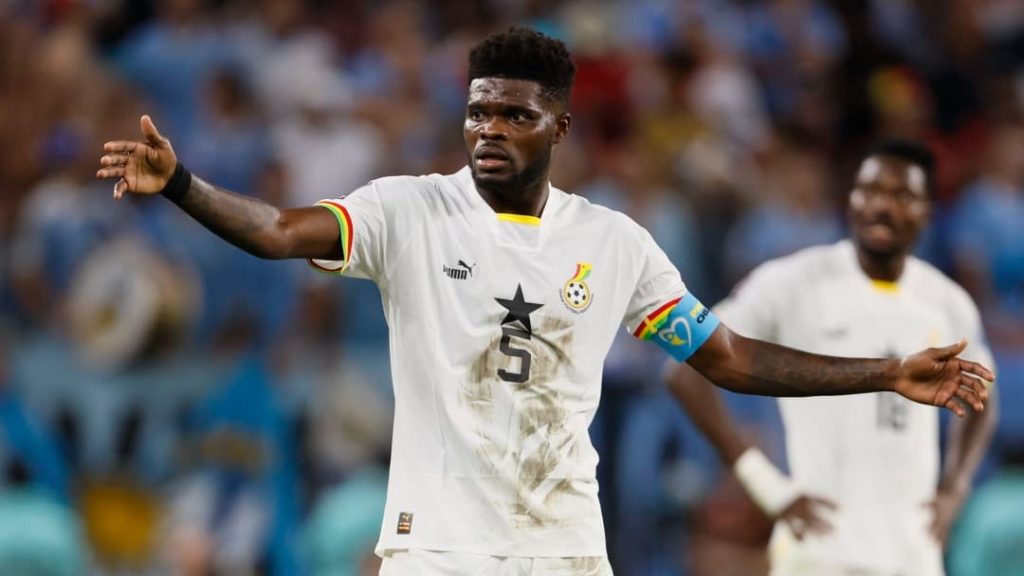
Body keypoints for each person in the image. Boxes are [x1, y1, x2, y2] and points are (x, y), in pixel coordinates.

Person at [96, 27, 992, 576]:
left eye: (515, 116)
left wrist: (885, 372)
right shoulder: (406, 211)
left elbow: (728, 358)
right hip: (438, 552)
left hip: (564, 549)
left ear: (559, 126)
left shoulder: (613, 243)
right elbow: (277, 231)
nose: (489, 129)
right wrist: (183, 186)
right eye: (478, 112)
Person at [665, 139, 999, 576]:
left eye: (902, 195)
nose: (882, 205)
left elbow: (984, 392)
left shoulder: (946, 301)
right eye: (870, 190)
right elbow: (684, 367)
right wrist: (765, 485)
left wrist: (955, 487)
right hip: (819, 549)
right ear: (850, 199)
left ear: (928, 212)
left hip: (913, 551)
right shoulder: (792, 282)